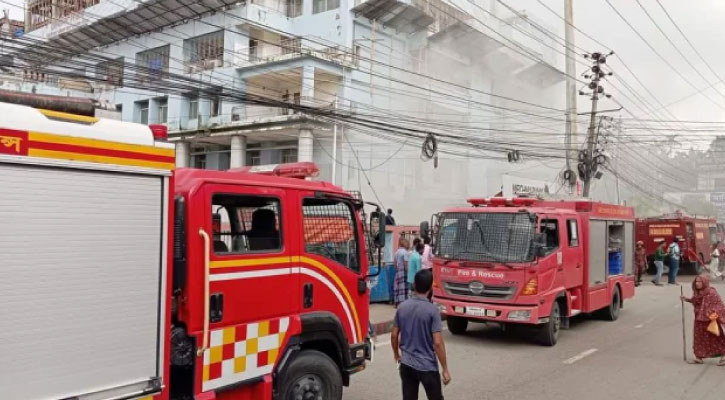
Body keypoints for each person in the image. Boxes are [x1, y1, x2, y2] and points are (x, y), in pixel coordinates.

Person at [392, 269, 451, 400]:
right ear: (430, 287)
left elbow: (394, 335)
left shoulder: (402, 307)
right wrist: (445, 369)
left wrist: (396, 354)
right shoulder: (432, 311)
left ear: (414, 285)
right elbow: (437, 342)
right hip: (427, 367)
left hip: (406, 365)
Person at [680, 275, 725, 366]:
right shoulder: (697, 293)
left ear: (704, 282)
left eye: (699, 282)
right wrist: (686, 299)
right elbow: (695, 301)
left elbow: (719, 305)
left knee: (716, 338)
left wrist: (713, 313)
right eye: (696, 282)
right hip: (699, 320)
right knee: (699, 338)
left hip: (710, 320)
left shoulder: (711, 292)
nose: (697, 284)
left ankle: (724, 356)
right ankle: (699, 357)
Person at [394, 238, 410, 307]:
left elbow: (394, 263)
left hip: (398, 271)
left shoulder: (397, 252)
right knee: (403, 287)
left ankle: (397, 302)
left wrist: (397, 269)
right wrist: (408, 271)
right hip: (403, 271)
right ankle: (403, 302)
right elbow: (405, 263)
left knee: (398, 287)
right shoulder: (405, 252)